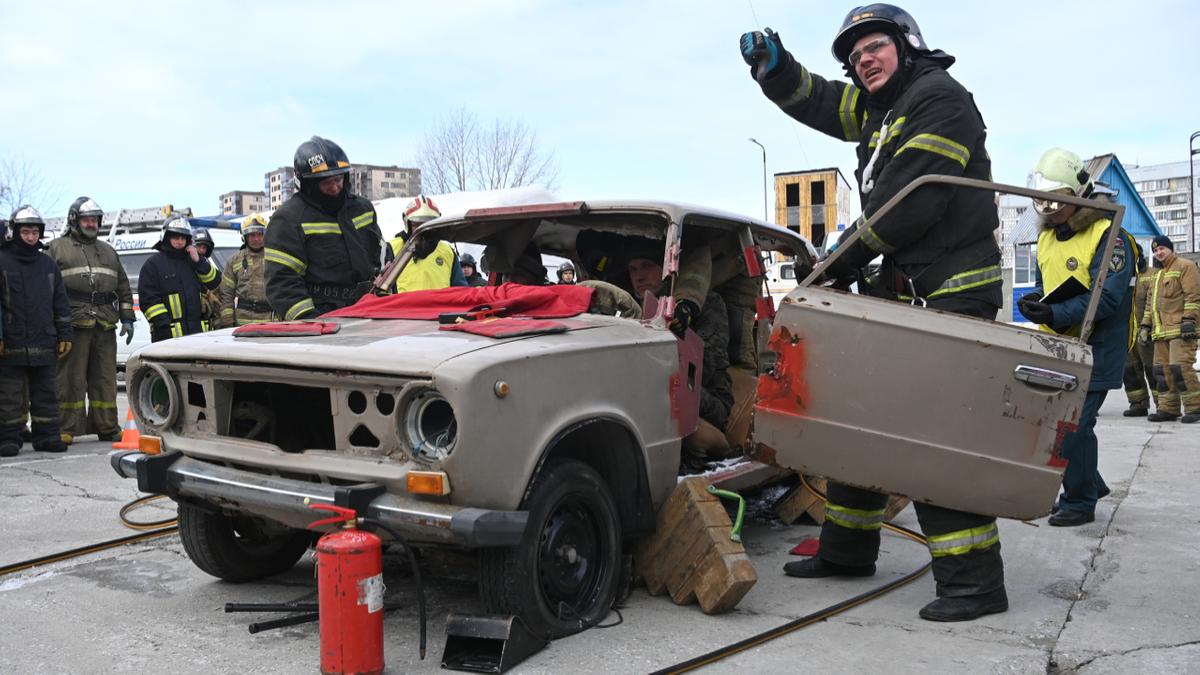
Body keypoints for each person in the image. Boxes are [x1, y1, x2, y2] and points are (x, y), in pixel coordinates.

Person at [742, 4, 1008, 621]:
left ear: (907, 44)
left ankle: (973, 582)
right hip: (906, 295)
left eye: (874, 46)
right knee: (861, 423)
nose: (863, 59)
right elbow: (820, 102)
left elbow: (908, 203)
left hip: (949, 296)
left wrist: (837, 259)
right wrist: (777, 72)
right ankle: (847, 551)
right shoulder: (878, 110)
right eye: (854, 54)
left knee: (933, 437)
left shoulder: (939, 97)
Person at [1018, 148, 1134, 527]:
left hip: (1099, 346)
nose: (1048, 209)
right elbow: (1044, 283)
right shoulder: (1048, 237)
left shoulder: (1111, 235)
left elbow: (1108, 297)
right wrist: (1038, 302)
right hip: (1060, 345)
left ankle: (1080, 500)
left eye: (1055, 200)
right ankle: (1090, 482)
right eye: (1041, 202)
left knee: (1075, 424)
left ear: (1078, 194)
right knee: (1060, 424)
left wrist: (1055, 312)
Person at [625, 238, 734, 469]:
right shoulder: (627, 309)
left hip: (705, 397)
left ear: (665, 267)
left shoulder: (707, 305)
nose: (639, 276)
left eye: (647, 266)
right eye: (633, 269)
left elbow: (702, 368)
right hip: (645, 393)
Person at [46, 197, 135, 443]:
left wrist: (127, 316)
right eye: (86, 219)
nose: (91, 223)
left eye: (95, 219)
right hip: (72, 324)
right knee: (70, 379)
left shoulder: (107, 250)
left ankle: (106, 426)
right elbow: (47, 289)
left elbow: (123, 286)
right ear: (75, 220)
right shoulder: (56, 248)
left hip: (104, 324)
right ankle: (67, 427)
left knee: (105, 378)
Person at [265, 136, 383, 319]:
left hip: (368, 310)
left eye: (338, 179)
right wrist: (310, 322)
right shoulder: (288, 220)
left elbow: (379, 256)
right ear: (309, 184)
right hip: (323, 317)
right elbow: (282, 283)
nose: (335, 187)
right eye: (326, 182)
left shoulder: (362, 208)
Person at [0, 206, 72, 456]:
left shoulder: (48, 265)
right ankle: (8, 438)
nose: (31, 237)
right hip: (11, 342)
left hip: (44, 341)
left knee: (47, 394)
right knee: (8, 396)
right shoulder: (2, 261)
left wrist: (65, 334)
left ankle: (48, 436)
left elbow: (60, 303)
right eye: (26, 231)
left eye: (34, 232)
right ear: (15, 232)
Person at [1140, 235, 1200, 423]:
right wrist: (1145, 326)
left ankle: (1195, 408)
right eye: (1156, 250)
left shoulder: (1185, 266)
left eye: (1162, 249)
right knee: (1162, 373)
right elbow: (1150, 304)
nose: (1159, 253)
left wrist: (1189, 320)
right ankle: (1168, 409)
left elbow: (1194, 296)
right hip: (1160, 333)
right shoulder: (1157, 275)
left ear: (1171, 249)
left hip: (1181, 331)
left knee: (1180, 369)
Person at [139, 215, 222, 342]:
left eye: (183, 238)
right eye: (176, 237)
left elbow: (215, 282)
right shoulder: (153, 264)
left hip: (199, 335)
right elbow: (148, 300)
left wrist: (199, 262)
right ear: (166, 237)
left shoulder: (194, 260)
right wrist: (163, 324)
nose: (180, 241)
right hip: (168, 336)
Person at [388, 195, 466, 292]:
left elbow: (460, 291)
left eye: (429, 224)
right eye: (417, 224)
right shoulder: (392, 249)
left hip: (440, 307)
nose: (424, 229)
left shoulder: (447, 251)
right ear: (407, 223)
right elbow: (381, 291)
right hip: (403, 307)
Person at [218, 214, 275, 327]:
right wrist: (228, 323)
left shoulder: (275, 258)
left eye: (260, 235)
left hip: (271, 321)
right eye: (252, 235)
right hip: (243, 323)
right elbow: (226, 294)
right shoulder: (234, 261)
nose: (256, 239)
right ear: (245, 237)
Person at [1122, 255, 1159, 416]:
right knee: (1129, 370)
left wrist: (1148, 327)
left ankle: (1163, 405)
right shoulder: (1122, 276)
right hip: (1127, 332)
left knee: (1152, 369)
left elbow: (1154, 303)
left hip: (1147, 332)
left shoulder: (1153, 274)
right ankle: (1138, 403)